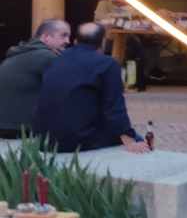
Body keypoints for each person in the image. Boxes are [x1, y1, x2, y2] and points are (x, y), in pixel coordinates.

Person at [31, 23, 147, 154]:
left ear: (75, 40)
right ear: (102, 42)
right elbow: (114, 107)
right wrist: (130, 140)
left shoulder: (56, 60)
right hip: (76, 140)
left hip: (44, 139)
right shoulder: (107, 64)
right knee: (138, 138)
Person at [0, 19, 71, 138]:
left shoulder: (18, 54)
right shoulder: (47, 57)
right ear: (46, 37)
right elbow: (69, 89)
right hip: (21, 130)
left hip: (6, 126)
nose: (67, 41)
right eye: (63, 35)